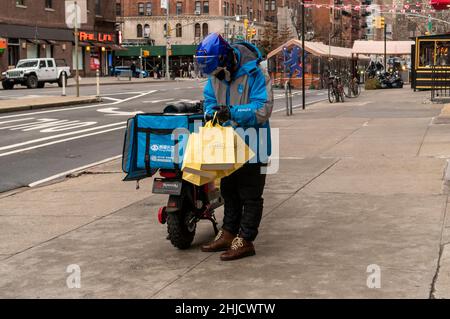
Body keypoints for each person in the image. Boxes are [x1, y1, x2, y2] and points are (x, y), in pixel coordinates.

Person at [195, 33, 273, 261]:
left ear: (226, 59)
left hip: (253, 142)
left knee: (250, 194)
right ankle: (228, 233)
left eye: (217, 71)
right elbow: (209, 101)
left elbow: (263, 108)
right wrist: (213, 113)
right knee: (229, 190)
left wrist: (232, 112)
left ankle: (245, 239)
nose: (215, 76)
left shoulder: (256, 72)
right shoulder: (215, 74)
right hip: (227, 143)